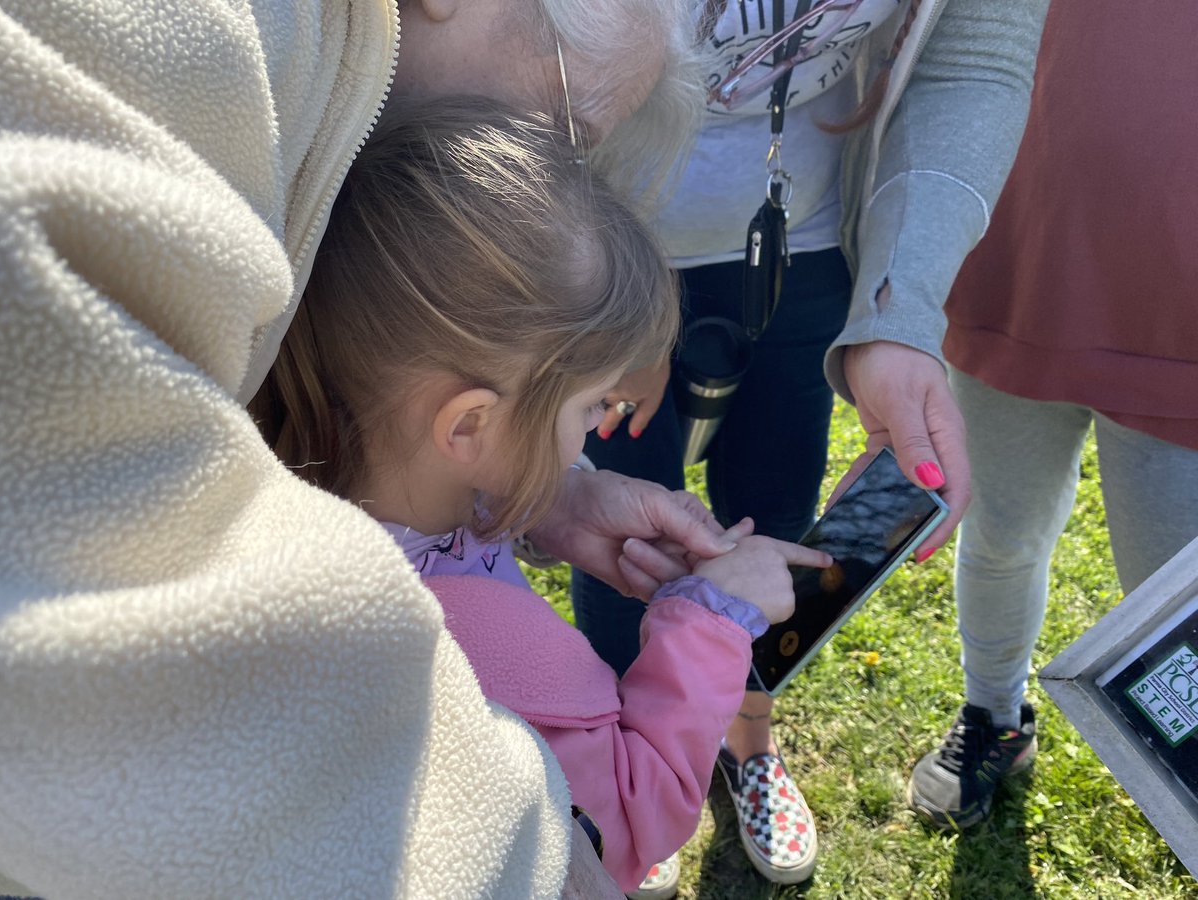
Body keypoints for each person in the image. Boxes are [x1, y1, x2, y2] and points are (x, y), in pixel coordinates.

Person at [0, 1, 726, 897]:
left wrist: (542, 489)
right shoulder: (178, 50)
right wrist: (528, 861)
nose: (543, 173)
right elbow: (79, 600)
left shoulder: (303, 158)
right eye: (567, 132)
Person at [254, 96, 834, 891]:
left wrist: (539, 506)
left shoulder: (305, 500)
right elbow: (632, 822)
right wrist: (711, 619)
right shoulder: (468, 655)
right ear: (468, 426)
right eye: (591, 405)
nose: (598, 426)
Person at [570, 0, 1050, 891]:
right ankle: (624, 760)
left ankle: (748, 744)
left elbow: (973, 60)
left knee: (778, 513)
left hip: (804, 242)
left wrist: (900, 313)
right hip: (599, 237)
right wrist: (595, 267)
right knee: (623, 536)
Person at [906, 0, 1198, 831]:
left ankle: (1183, 779)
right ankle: (994, 715)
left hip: (1180, 315)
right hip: (1020, 271)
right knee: (1000, 536)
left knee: (1172, 612)